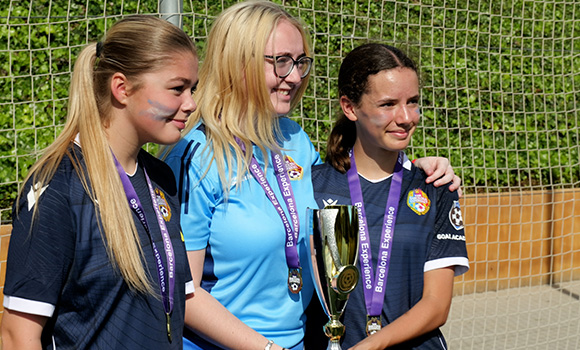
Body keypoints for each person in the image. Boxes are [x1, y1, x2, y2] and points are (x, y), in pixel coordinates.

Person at [162, 2, 461, 350]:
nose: (294, 76)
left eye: (300, 62)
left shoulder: (295, 141)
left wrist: (417, 167)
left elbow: (349, 182)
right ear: (237, 61)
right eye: (280, 62)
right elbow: (185, 292)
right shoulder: (196, 154)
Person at [1, 15, 198, 349]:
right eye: (177, 89)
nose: (191, 104)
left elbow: (177, 299)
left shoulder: (161, 177)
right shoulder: (58, 185)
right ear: (121, 88)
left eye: (193, 89)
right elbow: (18, 335)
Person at [308, 43, 470, 349]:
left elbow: (437, 306)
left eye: (413, 102)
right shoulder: (314, 188)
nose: (406, 117)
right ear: (350, 107)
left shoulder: (437, 187)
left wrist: (371, 346)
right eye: (388, 104)